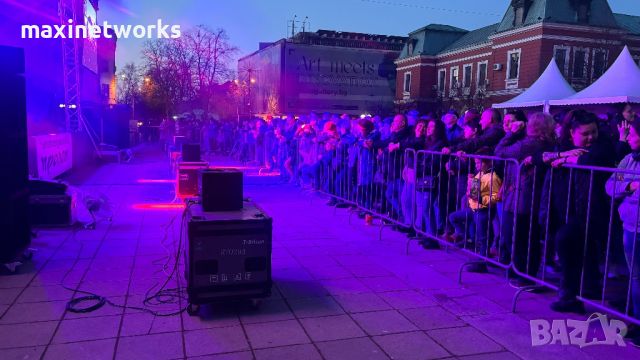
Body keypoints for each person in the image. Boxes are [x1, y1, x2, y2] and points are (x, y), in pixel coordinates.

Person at [538, 109, 616, 313]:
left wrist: (566, 160)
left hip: (591, 210)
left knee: (567, 243)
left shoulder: (603, 146)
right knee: (585, 250)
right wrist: (562, 155)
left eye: (593, 132)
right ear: (572, 133)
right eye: (585, 134)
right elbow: (540, 158)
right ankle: (588, 289)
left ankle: (569, 295)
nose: (591, 137)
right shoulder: (563, 146)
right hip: (565, 208)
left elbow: (596, 159)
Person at [495, 112, 556, 284]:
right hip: (528, 195)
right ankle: (523, 272)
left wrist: (511, 134)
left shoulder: (529, 144)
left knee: (516, 236)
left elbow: (500, 152)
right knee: (528, 237)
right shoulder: (548, 143)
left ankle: (522, 274)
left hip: (521, 197)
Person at [448, 147, 502, 272]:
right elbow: (473, 192)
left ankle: (481, 262)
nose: (476, 165)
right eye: (476, 163)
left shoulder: (492, 177)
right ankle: (464, 237)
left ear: (487, 162)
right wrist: (470, 191)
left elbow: (494, 198)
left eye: (479, 163)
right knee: (453, 217)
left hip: (483, 211)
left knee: (482, 238)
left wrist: (480, 199)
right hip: (474, 209)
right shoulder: (479, 173)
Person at [415, 118, 448, 249]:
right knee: (425, 208)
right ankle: (429, 235)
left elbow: (434, 162)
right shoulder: (426, 141)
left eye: (432, 126)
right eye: (428, 125)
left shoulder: (440, 143)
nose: (428, 128)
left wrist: (422, 164)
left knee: (427, 208)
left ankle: (433, 237)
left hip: (433, 178)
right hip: (425, 176)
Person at [400, 119, 426, 234]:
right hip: (409, 169)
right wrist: (405, 167)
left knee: (418, 201)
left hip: (419, 172)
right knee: (406, 199)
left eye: (424, 127)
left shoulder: (424, 141)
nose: (421, 128)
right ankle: (408, 222)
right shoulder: (410, 138)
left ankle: (417, 226)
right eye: (420, 125)